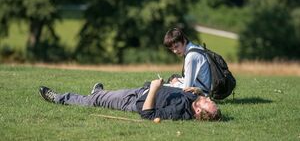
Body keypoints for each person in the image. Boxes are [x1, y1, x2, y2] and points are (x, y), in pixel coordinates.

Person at [39, 78, 221, 121]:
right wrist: (194, 89)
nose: (205, 98)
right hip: (140, 90)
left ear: (198, 111)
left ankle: (58, 98)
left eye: (207, 102)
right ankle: (99, 93)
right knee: (104, 96)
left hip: (133, 102)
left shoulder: (178, 112)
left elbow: (148, 113)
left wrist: (154, 89)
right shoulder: (193, 99)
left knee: (92, 102)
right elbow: (197, 94)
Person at [163, 28, 211, 95]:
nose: (175, 51)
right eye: (172, 49)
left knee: (161, 88)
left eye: (176, 46)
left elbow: (186, 88)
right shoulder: (196, 48)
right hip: (203, 89)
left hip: (202, 93)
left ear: (184, 40)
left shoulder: (191, 56)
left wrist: (176, 83)